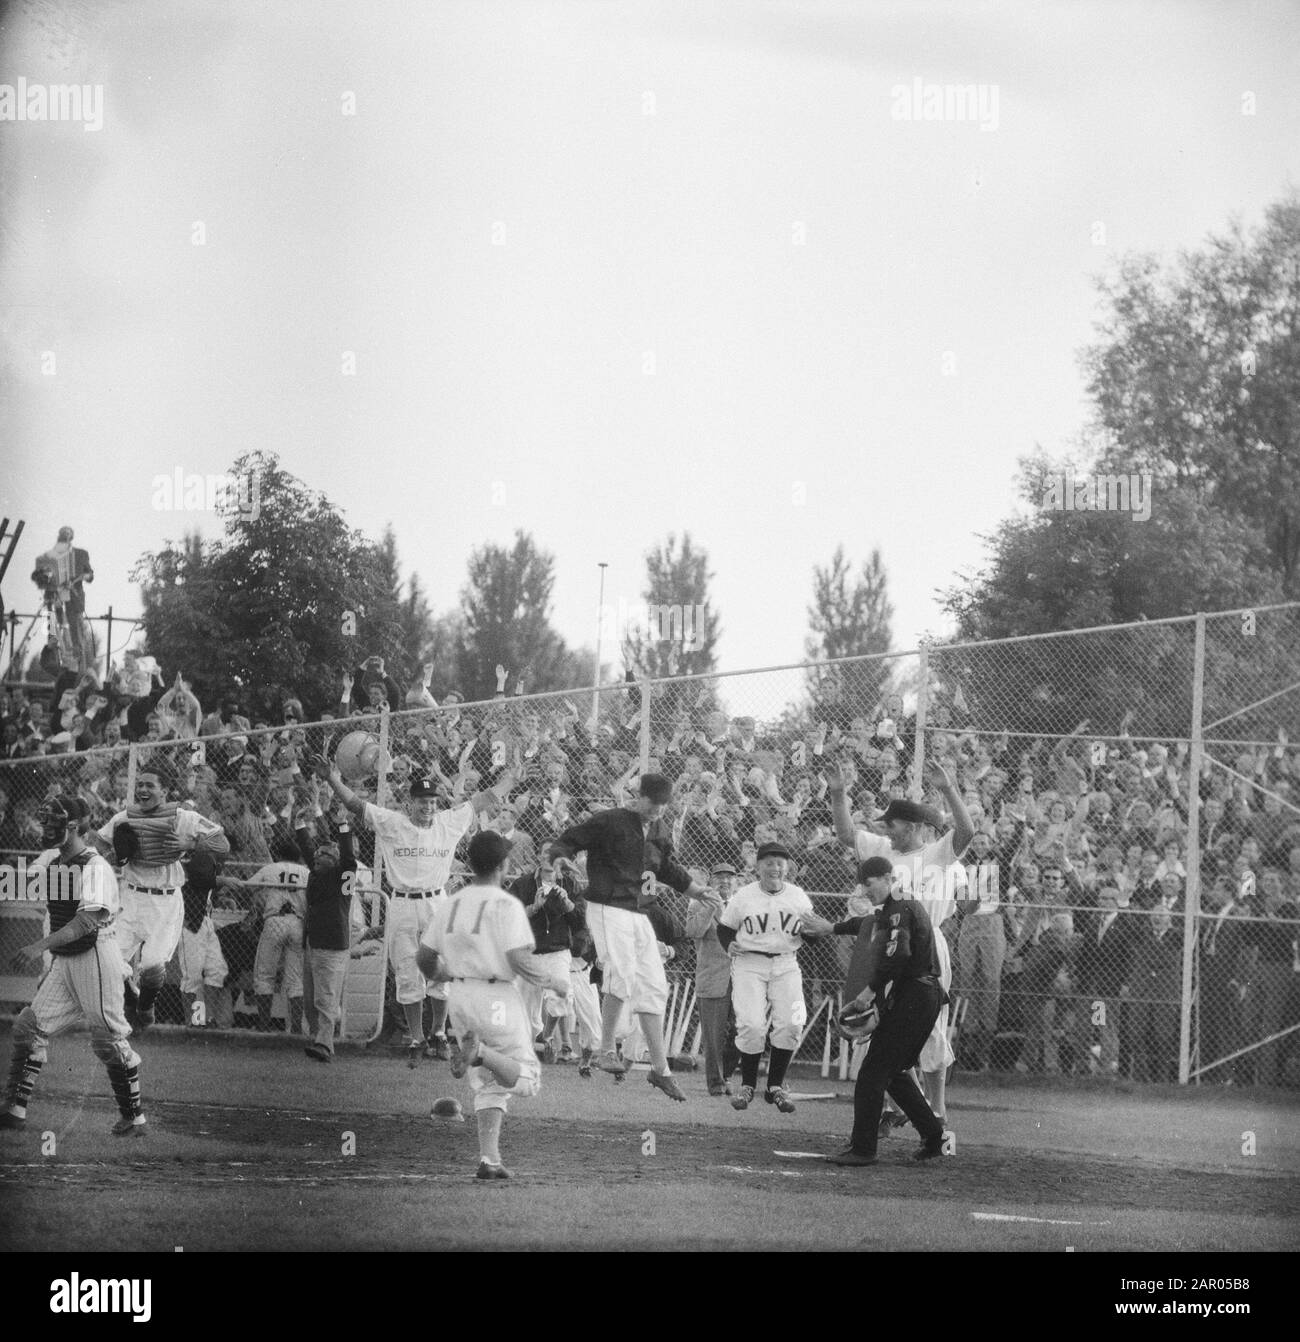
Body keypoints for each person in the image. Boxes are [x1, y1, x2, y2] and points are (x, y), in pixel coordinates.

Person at [315, 756, 515, 1067]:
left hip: (435, 901)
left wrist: (510, 780)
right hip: (403, 903)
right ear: (411, 803)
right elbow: (356, 804)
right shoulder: (393, 822)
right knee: (408, 973)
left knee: (441, 970)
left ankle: (438, 1033)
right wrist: (330, 778)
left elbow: (482, 800)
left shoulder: (448, 821)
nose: (428, 807)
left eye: (433, 801)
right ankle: (416, 1037)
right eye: (422, 801)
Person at [548, 773, 714, 1102]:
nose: (656, 811)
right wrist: (559, 858)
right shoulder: (610, 820)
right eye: (652, 804)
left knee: (654, 987)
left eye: (663, 807)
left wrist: (697, 889)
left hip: (639, 912)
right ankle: (606, 1049)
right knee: (621, 972)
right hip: (607, 906)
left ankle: (660, 1069)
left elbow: (667, 868)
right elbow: (569, 839)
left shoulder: (660, 829)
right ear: (638, 797)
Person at [415, 831, 570, 1180]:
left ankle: (490, 1160)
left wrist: (446, 972)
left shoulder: (451, 902)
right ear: (503, 865)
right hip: (496, 995)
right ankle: (481, 1054)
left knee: (489, 1085)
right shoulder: (506, 904)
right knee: (527, 1078)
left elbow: (424, 957)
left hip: (460, 997)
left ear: (470, 863)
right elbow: (518, 959)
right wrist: (553, 980)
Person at [827, 758, 973, 1126]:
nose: (886, 831)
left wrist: (949, 789)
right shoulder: (884, 849)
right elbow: (846, 835)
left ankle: (937, 1109)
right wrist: (838, 793)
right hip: (889, 942)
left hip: (926, 945)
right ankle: (897, 1109)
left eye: (891, 824)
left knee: (930, 1026)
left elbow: (967, 832)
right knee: (885, 1023)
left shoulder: (937, 853)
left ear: (911, 826)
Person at [2, 798, 147, 1137]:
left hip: (96, 956)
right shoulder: (57, 861)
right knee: (28, 1027)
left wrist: (39, 947)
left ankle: (134, 1118)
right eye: (46, 820)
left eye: (55, 821)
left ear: (75, 825)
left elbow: (86, 924)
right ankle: (14, 1110)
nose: (47, 827)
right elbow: (23, 885)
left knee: (108, 1040)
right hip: (67, 959)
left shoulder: (94, 865)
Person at [823, 856, 948, 1168]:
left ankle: (864, 1150)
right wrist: (835, 927)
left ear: (888, 877)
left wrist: (868, 994)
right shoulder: (897, 905)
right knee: (892, 1072)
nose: (865, 890)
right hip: (922, 993)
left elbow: (898, 954)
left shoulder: (899, 906)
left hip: (916, 994)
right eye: (862, 884)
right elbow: (869, 925)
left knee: (872, 1074)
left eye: (869, 882)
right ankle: (934, 1136)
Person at [92, 766, 230, 1031]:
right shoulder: (125, 817)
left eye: (150, 785)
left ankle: (148, 1005)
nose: (143, 790)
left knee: (154, 965)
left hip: (166, 901)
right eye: (140, 785)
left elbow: (222, 845)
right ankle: (134, 996)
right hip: (130, 896)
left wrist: (189, 845)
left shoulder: (184, 818)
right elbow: (99, 845)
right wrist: (113, 857)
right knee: (106, 959)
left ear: (165, 791)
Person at [716, 842, 821, 1113]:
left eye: (780, 863)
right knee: (751, 1024)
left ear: (787, 868)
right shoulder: (744, 896)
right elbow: (725, 928)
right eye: (769, 862)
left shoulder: (798, 896)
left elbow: (811, 937)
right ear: (758, 867)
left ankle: (775, 1086)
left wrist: (815, 931)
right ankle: (748, 1084)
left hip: (786, 963)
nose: (775, 868)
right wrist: (729, 945)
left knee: (792, 1023)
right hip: (749, 963)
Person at [508, 855, 588, 1061]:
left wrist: (568, 903)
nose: (549, 859)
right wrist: (534, 907)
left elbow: (580, 920)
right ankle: (523, 1051)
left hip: (557, 949)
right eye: (545, 854)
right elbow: (510, 916)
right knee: (526, 1010)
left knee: (561, 997)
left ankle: (547, 1035)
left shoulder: (569, 884)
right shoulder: (523, 883)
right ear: (539, 858)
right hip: (529, 951)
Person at [295, 810, 358, 1063]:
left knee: (326, 997)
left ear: (337, 861)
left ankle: (325, 1043)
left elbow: (350, 859)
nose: (319, 855)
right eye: (318, 854)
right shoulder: (317, 873)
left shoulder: (344, 879)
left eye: (327, 854)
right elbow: (307, 847)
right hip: (312, 943)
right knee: (312, 999)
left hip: (331, 946)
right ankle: (318, 1037)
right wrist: (299, 823)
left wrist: (342, 824)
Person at [684, 862, 738, 1096]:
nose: (725, 882)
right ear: (710, 881)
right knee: (713, 1035)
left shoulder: (743, 905)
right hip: (713, 976)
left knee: (745, 1030)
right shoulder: (698, 903)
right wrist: (710, 905)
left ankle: (726, 1074)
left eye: (729, 878)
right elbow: (693, 931)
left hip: (744, 978)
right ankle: (716, 1083)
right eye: (719, 878)